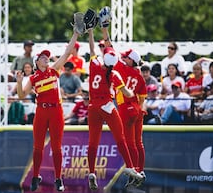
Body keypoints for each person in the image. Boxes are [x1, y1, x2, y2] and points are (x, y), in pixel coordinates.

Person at [16, 25, 80, 192]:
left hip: (56, 110)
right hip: (42, 110)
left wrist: (75, 34)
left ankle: (58, 178)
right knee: (37, 147)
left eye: (47, 57)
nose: (47, 58)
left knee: (57, 147)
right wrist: (18, 81)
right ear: (37, 61)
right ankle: (36, 176)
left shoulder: (53, 71)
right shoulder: (34, 77)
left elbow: (67, 53)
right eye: (43, 57)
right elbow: (22, 96)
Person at [85, 24, 143, 190]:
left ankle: (91, 172)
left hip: (92, 106)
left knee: (92, 142)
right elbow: (128, 94)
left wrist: (90, 31)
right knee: (120, 138)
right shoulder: (115, 74)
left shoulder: (95, 65)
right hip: (107, 105)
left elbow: (91, 48)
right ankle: (130, 167)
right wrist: (133, 91)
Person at [114, 46, 148, 184]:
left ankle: (134, 172)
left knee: (130, 143)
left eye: (126, 57)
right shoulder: (139, 75)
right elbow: (142, 97)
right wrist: (138, 109)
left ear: (131, 60)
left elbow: (111, 54)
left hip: (125, 108)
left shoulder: (123, 69)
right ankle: (140, 170)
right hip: (137, 108)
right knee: (139, 143)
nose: (123, 58)